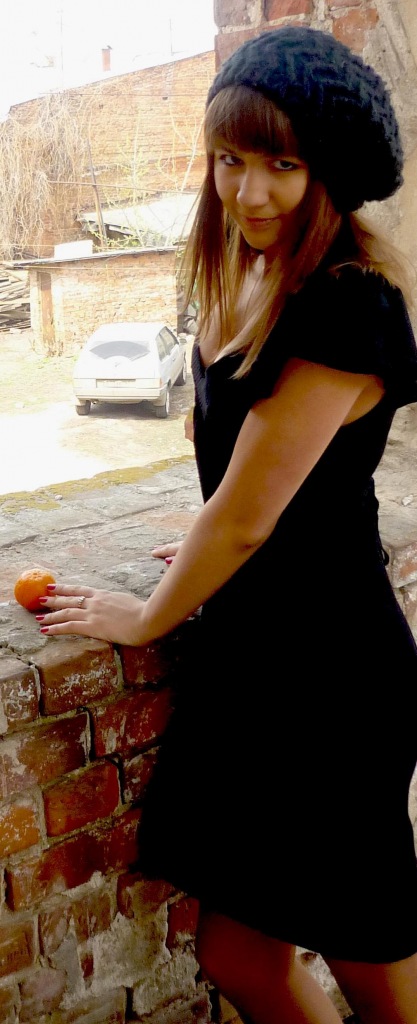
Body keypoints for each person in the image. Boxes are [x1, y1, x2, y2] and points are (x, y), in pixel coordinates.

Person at [36, 26, 417, 1024]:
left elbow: (248, 517)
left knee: (367, 957)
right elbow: (243, 495)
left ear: (326, 171)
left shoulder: (348, 304)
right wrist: (211, 548)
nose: (249, 192)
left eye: (282, 166)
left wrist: (147, 613)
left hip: (333, 679)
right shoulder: (245, 271)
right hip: (256, 665)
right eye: (230, 158)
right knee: (240, 954)